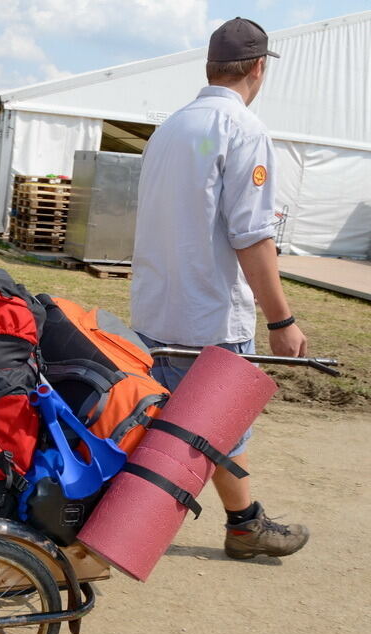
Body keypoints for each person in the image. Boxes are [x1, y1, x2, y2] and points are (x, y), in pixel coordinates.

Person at [130, 17, 308, 559]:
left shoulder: (172, 127)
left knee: (158, 428)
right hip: (209, 314)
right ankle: (242, 525)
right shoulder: (244, 129)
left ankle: (233, 521)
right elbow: (253, 236)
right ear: (259, 68)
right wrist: (281, 319)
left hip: (155, 308)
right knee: (221, 430)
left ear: (209, 67)